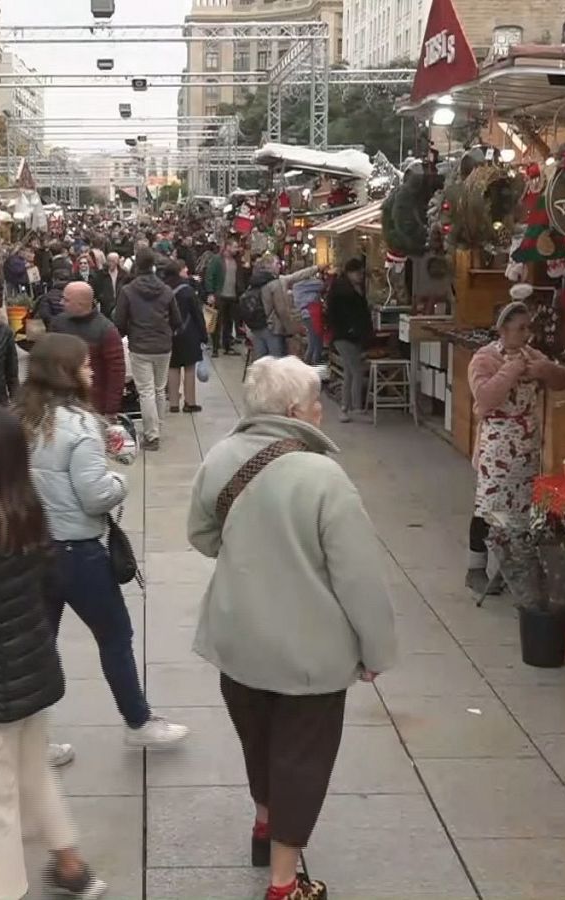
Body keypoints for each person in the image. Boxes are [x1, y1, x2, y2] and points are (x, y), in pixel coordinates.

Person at [185, 356, 397, 900]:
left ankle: (264, 821)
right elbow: (359, 578)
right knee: (301, 757)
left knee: (257, 739)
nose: (321, 411)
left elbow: (202, 536)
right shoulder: (324, 475)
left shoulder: (221, 457)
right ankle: (285, 885)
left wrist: (249, 551)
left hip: (236, 637)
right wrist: (376, 650)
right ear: (295, 411)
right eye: (315, 402)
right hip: (309, 655)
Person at [0, 405, 109, 900]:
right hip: (31, 670)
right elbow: (50, 580)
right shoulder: (24, 503)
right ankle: (71, 866)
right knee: (32, 774)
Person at [20, 335, 190, 749]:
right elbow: (95, 494)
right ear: (67, 372)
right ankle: (138, 721)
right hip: (78, 552)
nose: (91, 370)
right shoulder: (78, 426)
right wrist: (118, 479)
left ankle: (31, 742)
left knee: (38, 644)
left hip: (33, 547)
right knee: (115, 636)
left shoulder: (24, 418)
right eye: (84, 364)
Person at [466, 299, 565, 593]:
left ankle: (512, 567)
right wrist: (510, 371)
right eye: (520, 328)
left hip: (527, 444)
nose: (526, 334)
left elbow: (564, 382)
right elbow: (484, 400)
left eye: (528, 328)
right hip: (497, 442)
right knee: (488, 509)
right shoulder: (484, 359)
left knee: (522, 511)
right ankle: (475, 567)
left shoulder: (532, 354)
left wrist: (546, 370)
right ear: (502, 329)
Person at [112, 249, 181, 451]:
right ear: (153, 266)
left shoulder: (128, 291)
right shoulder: (166, 290)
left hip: (140, 345)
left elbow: (119, 321)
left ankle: (152, 435)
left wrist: (128, 333)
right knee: (160, 390)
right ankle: (157, 428)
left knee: (146, 391)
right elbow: (176, 319)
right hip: (163, 345)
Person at [49, 281, 127, 418]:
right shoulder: (57, 324)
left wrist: (111, 409)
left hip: (94, 407)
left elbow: (116, 373)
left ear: (80, 303)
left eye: (66, 300)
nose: (61, 303)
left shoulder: (106, 331)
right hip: (60, 403)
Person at [325, 258, 373, 422]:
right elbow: (337, 314)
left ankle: (345, 408)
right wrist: (351, 328)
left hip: (348, 335)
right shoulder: (342, 290)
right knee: (356, 371)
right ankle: (356, 408)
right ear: (350, 272)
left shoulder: (351, 287)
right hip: (345, 336)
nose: (361, 276)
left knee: (349, 373)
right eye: (358, 273)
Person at [162, 258, 208, 414]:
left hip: (169, 333)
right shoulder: (187, 290)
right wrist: (204, 335)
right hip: (189, 333)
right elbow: (197, 314)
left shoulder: (162, 289)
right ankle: (190, 402)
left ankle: (173, 403)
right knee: (189, 368)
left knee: (173, 367)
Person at [259, 260, 319, 359]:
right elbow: (281, 310)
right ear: (269, 267)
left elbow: (298, 275)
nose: (279, 266)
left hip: (260, 326)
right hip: (274, 327)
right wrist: (292, 329)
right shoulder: (276, 283)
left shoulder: (259, 282)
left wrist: (315, 268)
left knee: (263, 358)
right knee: (277, 359)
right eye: (276, 264)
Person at [89, 252, 124, 320]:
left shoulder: (124, 275)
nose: (110, 263)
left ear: (117, 262)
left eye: (113, 261)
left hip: (120, 306)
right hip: (105, 307)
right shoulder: (100, 275)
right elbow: (94, 291)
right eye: (109, 261)